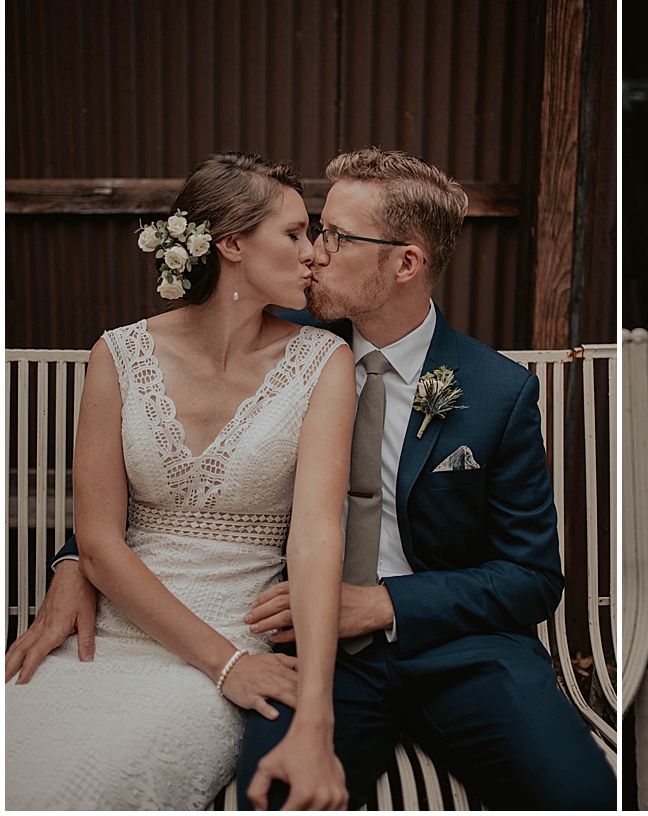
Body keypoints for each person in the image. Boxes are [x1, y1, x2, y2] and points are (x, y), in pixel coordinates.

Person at [11, 148, 616, 810]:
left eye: (334, 236)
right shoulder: (280, 337)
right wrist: (76, 559)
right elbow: (175, 472)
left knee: (580, 793)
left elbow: (532, 576)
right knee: (274, 795)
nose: (316, 254)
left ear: (405, 262)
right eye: (310, 232)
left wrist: (383, 603)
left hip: (459, 650)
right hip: (309, 646)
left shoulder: (498, 392)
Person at [5, 152, 353, 809]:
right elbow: (99, 540)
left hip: (231, 645)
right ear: (230, 244)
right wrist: (227, 664)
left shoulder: (323, 361)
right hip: (106, 634)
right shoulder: (117, 353)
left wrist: (243, 672)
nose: (314, 254)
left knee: (93, 786)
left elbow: (314, 534)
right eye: (294, 233)